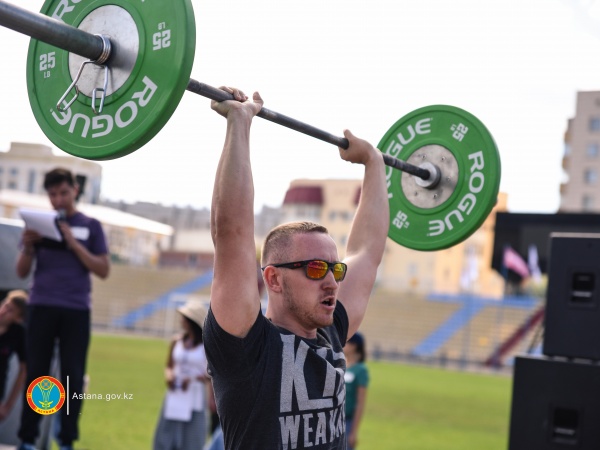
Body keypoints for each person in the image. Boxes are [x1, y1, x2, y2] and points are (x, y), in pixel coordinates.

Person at [203, 87, 389, 449]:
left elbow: (367, 251)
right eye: (317, 269)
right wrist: (239, 124)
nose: (332, 283)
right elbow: (231, 234)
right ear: (273, 278)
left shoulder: (330, 331)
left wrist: (374, 164)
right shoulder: (247, 347)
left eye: (335, 270)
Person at [16, 167, 110, 450]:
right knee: (38, 374)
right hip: (41, 305)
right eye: (53, 194)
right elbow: (20, 273)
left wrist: (72, 243)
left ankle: (66, 439)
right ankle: (28, 438)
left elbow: (103, 269)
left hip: (76, 310)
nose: (58, 199)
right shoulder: (36, 225)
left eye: (64, 192)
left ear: (75, 191)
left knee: (72, 375)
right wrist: (29, 248)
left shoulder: (90, 226)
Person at [153, 300, 210, 450]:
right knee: (166, 435)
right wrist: (169, 376)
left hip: (195, 396)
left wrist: (192, 379)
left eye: (185, 317)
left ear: (192, 321)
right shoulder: (176, 341)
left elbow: (210, 374)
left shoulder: (206, 345)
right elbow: (169, 365)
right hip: (175, 394)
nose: (181, 320)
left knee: (192, 438)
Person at [0, 290, 27, 422]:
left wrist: (8, 406)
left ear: (18, 318)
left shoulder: (17, 334)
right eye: (5, 305)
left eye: (10, 310)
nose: (3, 311)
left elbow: (24, 368)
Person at [343, 332, 369, 450]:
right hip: (333, 419)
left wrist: (353, 431)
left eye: (346, 342)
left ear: (354, 346)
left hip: (347, 422)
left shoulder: (360, 370)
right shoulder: (340, 364)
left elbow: (360, 403)